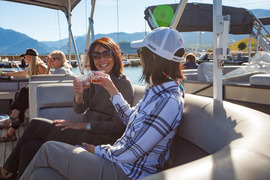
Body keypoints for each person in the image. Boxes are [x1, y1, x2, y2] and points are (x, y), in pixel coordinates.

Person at [21, 27, 185, 180]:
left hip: (126, 171)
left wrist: (97, 150)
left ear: (153, 58)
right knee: (42, 174)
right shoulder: (156, 92)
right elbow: (131, 118)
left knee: (48, 149)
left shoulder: (168, 101)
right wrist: (110, 88)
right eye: (96, 56)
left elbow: (132, 152)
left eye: (141, 51)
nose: (139, 56)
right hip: (117, 159)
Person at [0, 37, 134, 179]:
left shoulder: (122, 84)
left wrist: (81, 126)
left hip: (102, 139)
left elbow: (118, 127)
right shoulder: (95, 80)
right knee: (29, 148)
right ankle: (14, 176)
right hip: (84, 132)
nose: (102, 59)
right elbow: (79, 109)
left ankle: (6, 169)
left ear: (115, 55)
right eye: (96, 55)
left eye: (107, 54)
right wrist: (79, 95)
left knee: (36, 125)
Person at [0, 50, 73, 143]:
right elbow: (46, 82)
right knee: (22, 95)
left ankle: (12, 122)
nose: (51, 61)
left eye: (54, 59)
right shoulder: (60, 71)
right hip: (48, 97)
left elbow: (45, 83)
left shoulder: (60, 71)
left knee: (24, 91)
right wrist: (5, 74)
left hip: (48, 98)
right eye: (50, 59)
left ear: (62, 59)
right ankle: (13, 123)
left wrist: (48, 67)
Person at [0, 48, 47, 142]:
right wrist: (5, 73)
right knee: (19, 95)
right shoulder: (31, 67)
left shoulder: (41, 66)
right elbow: (20, 73)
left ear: (29, 57)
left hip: (41, 95)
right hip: (35, 94)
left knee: (25, 90)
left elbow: (48, 82)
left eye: (24, 57)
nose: (24, 59)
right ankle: (12, 126)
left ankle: (12, 119)